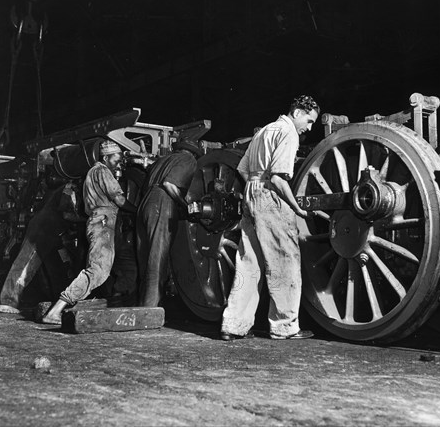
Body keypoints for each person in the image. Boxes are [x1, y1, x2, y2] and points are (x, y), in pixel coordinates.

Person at [220, 95, 320, 341]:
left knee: (248, 262)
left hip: (251, 191)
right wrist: (296, 207)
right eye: (308, 121)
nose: (308, 128)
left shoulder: (264, 131)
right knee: (284, 261)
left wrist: (254, 189)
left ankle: (233, 325)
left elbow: (242, 169)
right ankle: (284, 327)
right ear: (297, 112)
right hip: (270, 195)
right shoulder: (288, 132)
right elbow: (277, 178)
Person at [42, 140, 136, 324]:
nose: (120, 162)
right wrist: (139, 210)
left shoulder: (91, 173)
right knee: (97, 271)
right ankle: (57, 309)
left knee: (127, 264)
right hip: (103, 223)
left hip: (104, 222)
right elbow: (118, 197)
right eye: (117, 158)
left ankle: (117, 300)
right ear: (106, 157)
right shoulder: (102, 171)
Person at [137, 137, 201, 307]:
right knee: (158, 257)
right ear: (194, 153)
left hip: (145, 203)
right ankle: (150, 309)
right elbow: (169, 184)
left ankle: (142, 304)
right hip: (162, 202)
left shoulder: (163, 159)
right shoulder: (189, 160)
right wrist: (185, 205)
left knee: (145, 256)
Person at [0, 183, 75, 313]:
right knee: (27, 263)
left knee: (57, 267)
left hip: (54, 230)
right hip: (44, 228)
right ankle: (8, 301)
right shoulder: (70, 188)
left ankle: (60, 303)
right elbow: (65, 213)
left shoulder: (66, 187)